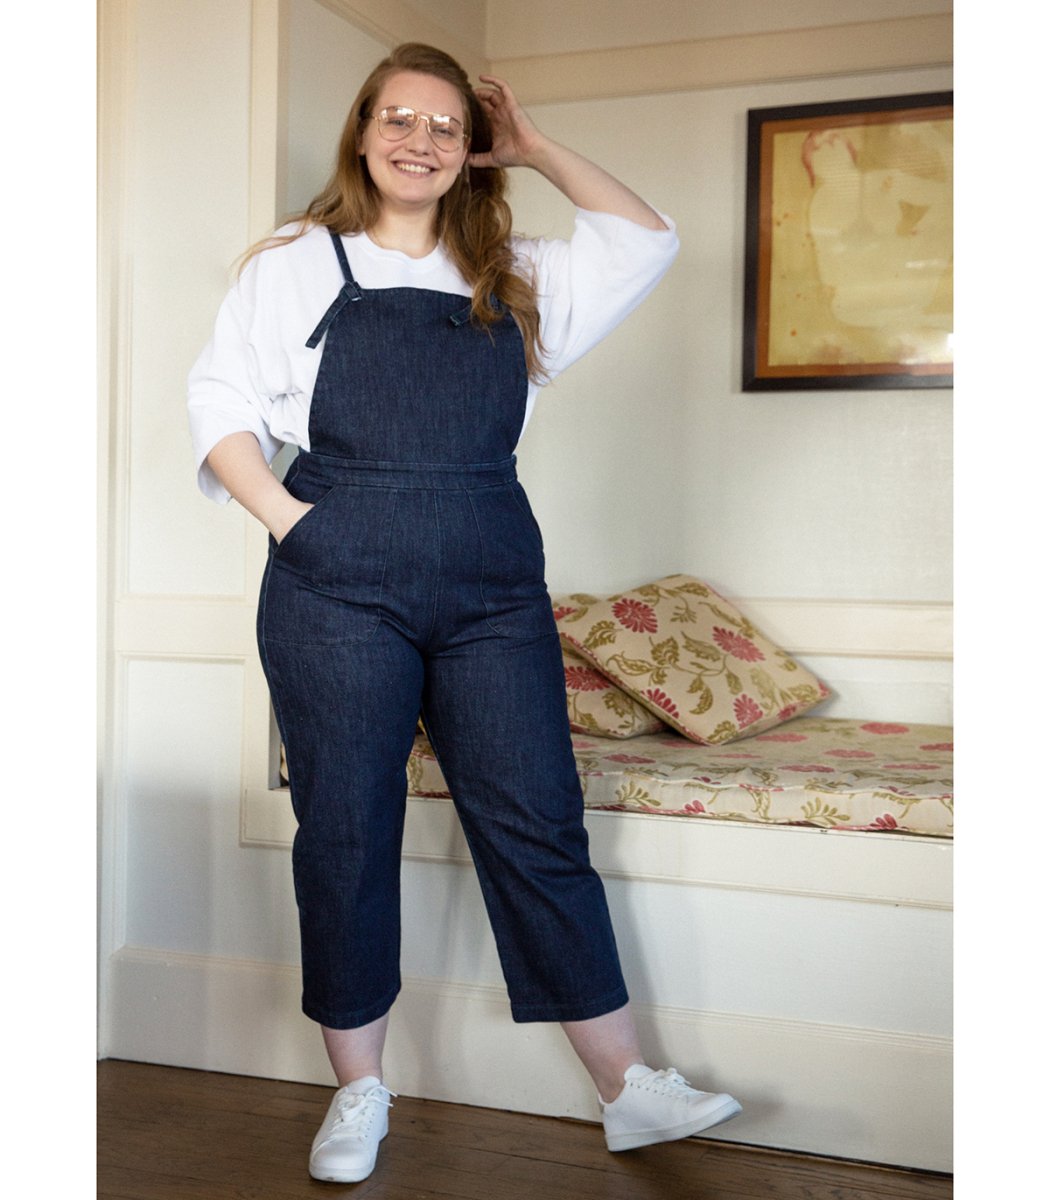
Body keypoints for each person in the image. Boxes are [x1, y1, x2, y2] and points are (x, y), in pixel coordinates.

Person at [188, 42, 741, 1185]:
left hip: (491, 585)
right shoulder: (298, 261)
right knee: (345, 829)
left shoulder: (514, 268)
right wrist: (299, 527)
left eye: (445, 125)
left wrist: (534, 147)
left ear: (470, 146)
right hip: (336, 580)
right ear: (363, 131)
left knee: (538, 819)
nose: (420, 140)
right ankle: (359, 1092)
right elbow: (221, 410)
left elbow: (649, 237)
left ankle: (627, 1089)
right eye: (400, 118)